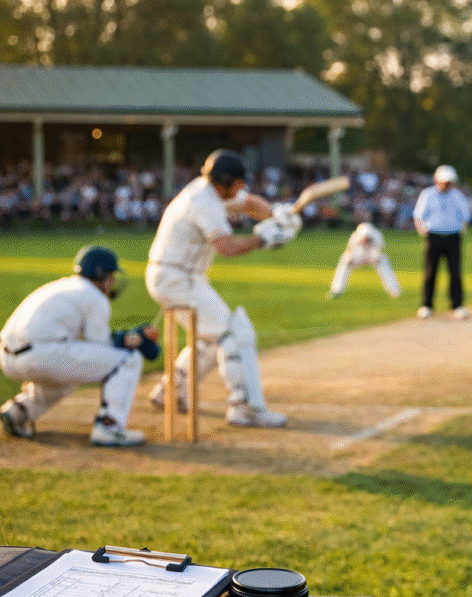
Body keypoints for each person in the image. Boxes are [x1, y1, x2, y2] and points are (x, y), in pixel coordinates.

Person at [144, 149, 299, 428]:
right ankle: (244, 407)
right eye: (238, 183)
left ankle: (171, 392)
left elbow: (248, 203)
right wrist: (262, 239)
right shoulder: (204, 203)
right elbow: (226, 248)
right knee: (234, 333)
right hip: (178, 278)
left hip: (175, 275)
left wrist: (276, 213)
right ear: (225, 182)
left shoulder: (211, 190)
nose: (241, 188)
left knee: (209, 337)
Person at [1, 245, 159, 447]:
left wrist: (127, 337)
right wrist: (133, 339)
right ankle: (110, 427)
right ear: (101, 273)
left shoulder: (62, 286)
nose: (112, 280)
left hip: (8, 357)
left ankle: (19, 411)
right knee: (128, 360)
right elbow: (102, 344)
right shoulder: (94, 295)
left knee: (68, 377)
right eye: (110, 274)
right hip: (40, 354)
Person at [413, 164, 471, 320]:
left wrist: (461, 228)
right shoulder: (428, 194)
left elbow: (465, 216)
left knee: (455, 272)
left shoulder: (457, 196)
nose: (446, 184)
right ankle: (426, 305)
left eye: (449, 182)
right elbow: (418, 215)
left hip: (453, 237)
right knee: (430, 271)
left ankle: (457, 305)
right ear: (437, 180)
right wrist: (422, 231)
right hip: (434, 237)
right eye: (444, 181)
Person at [328, 221, 402, 300]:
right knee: (344, 262)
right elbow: (350, 250)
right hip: (358, 255)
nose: (365, 239)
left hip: (372, 255)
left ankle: (395, 291)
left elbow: (379, 251)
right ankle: (336, 290)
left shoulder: (377, 235)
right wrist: (351, 259)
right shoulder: (355, 236)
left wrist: (374, 258)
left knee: (384, 263)